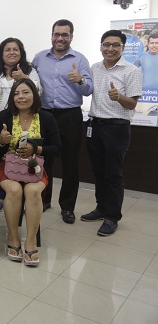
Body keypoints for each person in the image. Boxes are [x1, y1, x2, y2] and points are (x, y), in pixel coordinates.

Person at [80, 30, 142, 236]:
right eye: (106, 44)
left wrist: (119, 97)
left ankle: (112, 216)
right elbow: (87, 90)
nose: (110, 49)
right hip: (94, 125)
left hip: (117, 127)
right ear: (101, 47)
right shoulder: (95, 68)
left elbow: (132, 104)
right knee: (98, 171)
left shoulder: (132, 71)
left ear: (122, 48)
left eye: (115, 45)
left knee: (114, 174)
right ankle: (101, 208)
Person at [0, 78, 61, 267]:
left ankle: (30, 241)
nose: (21, 97)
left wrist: (37, 149)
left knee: (32, 191)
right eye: (16, 93)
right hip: (8, 166)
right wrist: (1, 141)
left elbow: (57, 148)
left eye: (26, 92)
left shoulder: (46, 118)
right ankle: (13, 238)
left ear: (35, 94)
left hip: (35, 168)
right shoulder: (4, 116)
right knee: (14, 189)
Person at [32, 20, 93, 223]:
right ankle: (44, 199)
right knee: (43, 159)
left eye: (65, 35)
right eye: (57, 34)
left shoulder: (80, 59)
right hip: (44, 115)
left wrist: (81, 80)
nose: (60, 38)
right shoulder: (39, 58)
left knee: (70, 162)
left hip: (70, 115)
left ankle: (67, 207)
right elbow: (32, 83)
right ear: (51, 36)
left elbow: (89, 90)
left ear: (71, 37)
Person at [0, 37, 42, 214]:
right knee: (0, 156)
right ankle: (4, 197)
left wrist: (24, 78)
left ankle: (22, 198)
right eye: (7, 49)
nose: (11, 52)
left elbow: (39, 91)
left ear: (21, 53)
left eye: (15, 49)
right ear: (1, 53)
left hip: (22, 119)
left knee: (21, 156)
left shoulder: (29, 70)